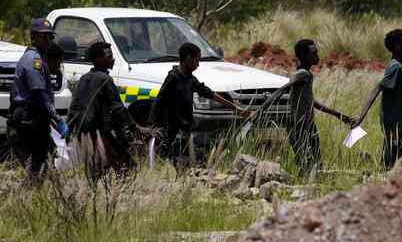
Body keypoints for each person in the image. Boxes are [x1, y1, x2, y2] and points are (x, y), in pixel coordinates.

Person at [254, 39, 354, 174]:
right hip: (299, 125)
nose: (317, 56)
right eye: (314, 53)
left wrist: (339, 115)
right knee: (307, 163)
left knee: (314, 163)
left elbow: (311, 102)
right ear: (303, 55)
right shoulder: (302, 74)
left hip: (308, 124)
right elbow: (281, 90)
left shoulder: (306, 74)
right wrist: (260, 110)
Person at [150, 42, 247, 168]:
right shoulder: (173, 78)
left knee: (192, 162)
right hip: (174, 131)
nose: (198, 64)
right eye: (197, 60)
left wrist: (234, 108)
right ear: (189, 59)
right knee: (180, 163)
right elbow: (159, 102)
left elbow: (209, 93)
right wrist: (152, 125)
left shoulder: (190, 79)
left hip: (187, 130)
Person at [67, 41, 151, 177]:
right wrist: (136, 127)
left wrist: (69, 130)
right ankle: (117, 196)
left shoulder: (83, 78)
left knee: (96, 170)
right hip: (99, 134)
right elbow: (118, 107)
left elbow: (73, 107)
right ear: (98, 59)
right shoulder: (105, 79)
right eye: (109, 56)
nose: (112, 59)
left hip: (83, 133)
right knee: (127, 167)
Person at [8, 18, 69, 178]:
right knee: (37, 169)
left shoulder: (38, 58)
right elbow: (39, 94)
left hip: (34, 116)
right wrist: (58, 118)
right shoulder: (33, 60)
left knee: (42, 167)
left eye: (50, 37)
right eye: (44, 36)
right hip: (29, 118)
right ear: (33, 37)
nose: (48, 40)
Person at [354, 29, 402, 170]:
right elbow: (377, 89)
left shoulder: (398, 66)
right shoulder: (395, 68)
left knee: (398, 167)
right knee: (394, 169)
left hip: (400, 131)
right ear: (396, 47)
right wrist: (360, 117)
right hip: (396, 132)